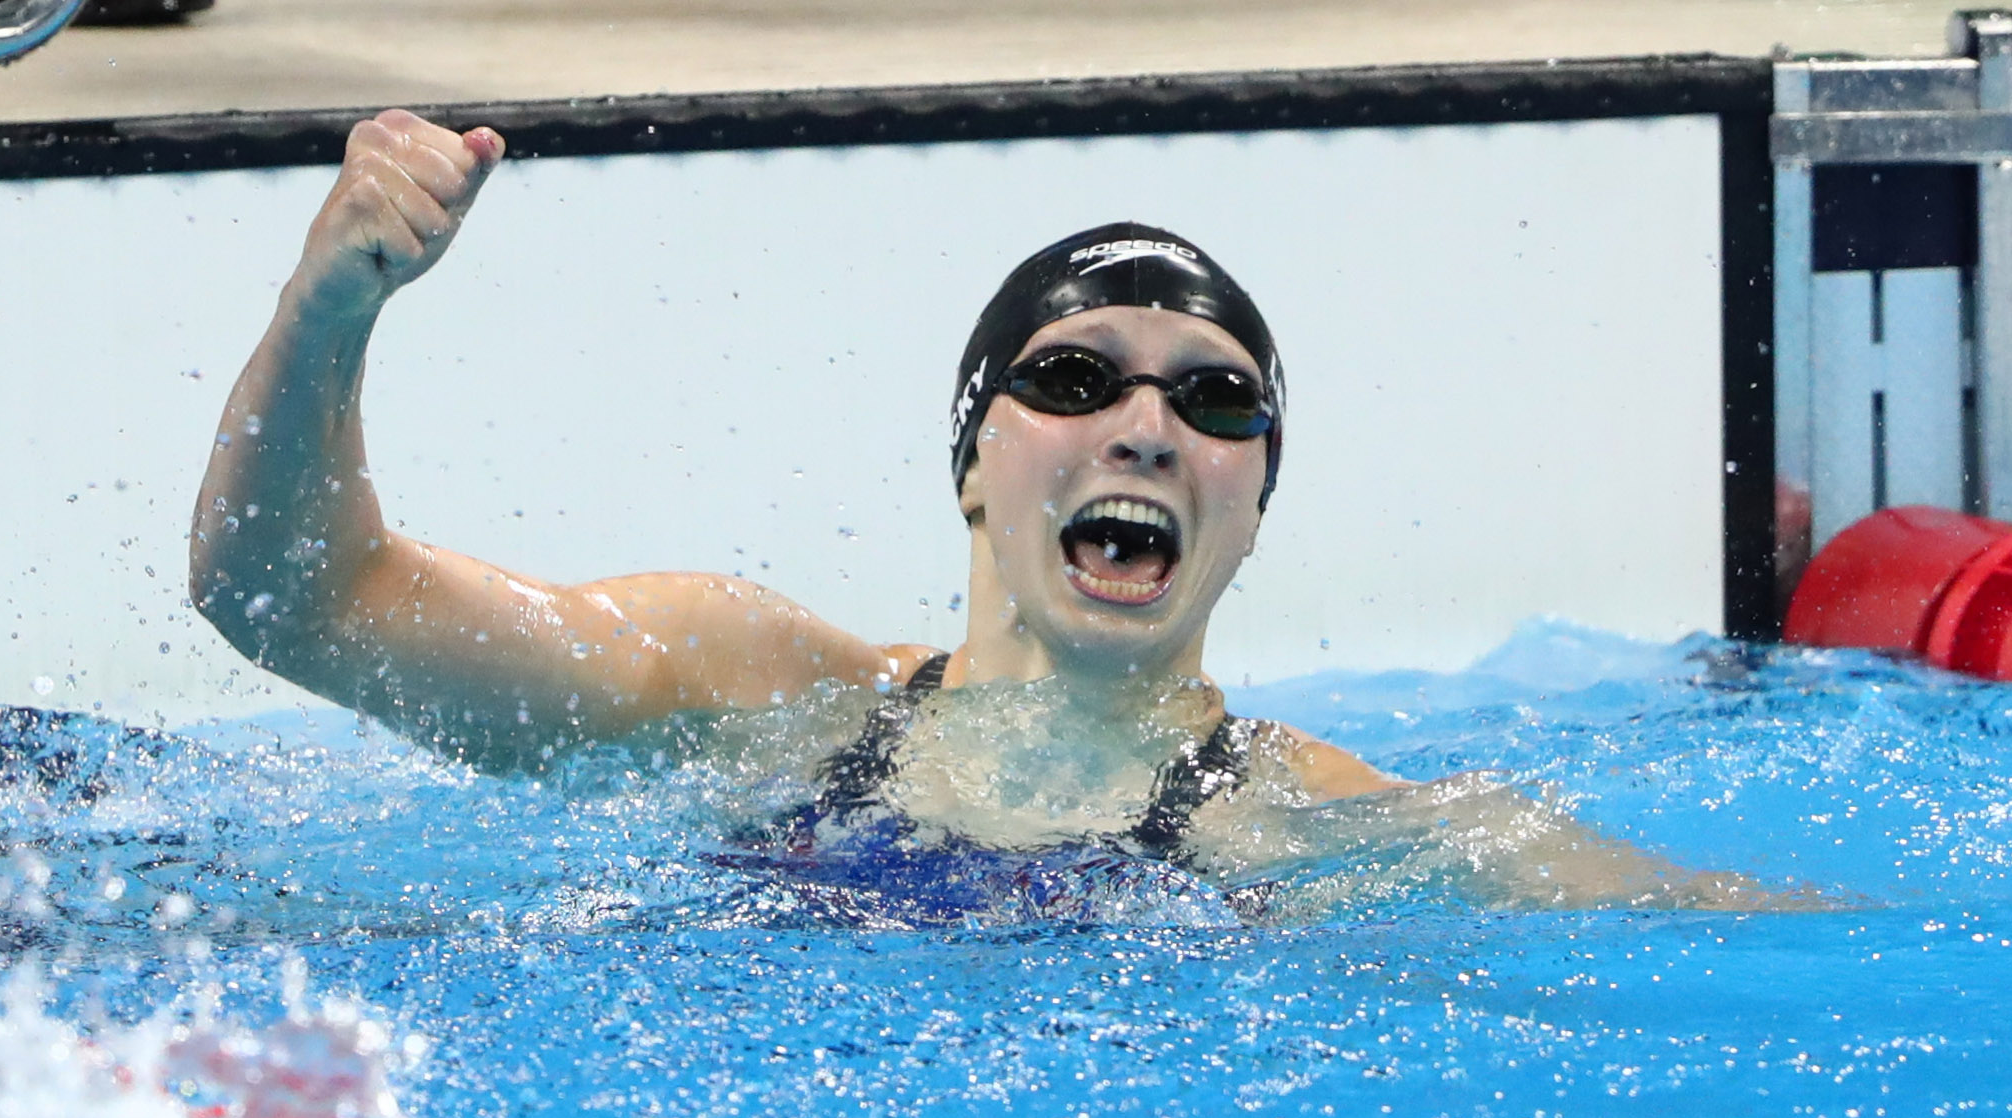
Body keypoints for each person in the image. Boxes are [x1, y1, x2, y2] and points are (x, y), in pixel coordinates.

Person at [191, 111, 1778, 906]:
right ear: (971, 463)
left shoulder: (1337, 830)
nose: (1148, 427)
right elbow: (294, 605)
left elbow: (1774, 939)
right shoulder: (746, 690)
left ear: (1253, 508)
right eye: (1078, 378)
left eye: (1216, 399)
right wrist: (330, 309)